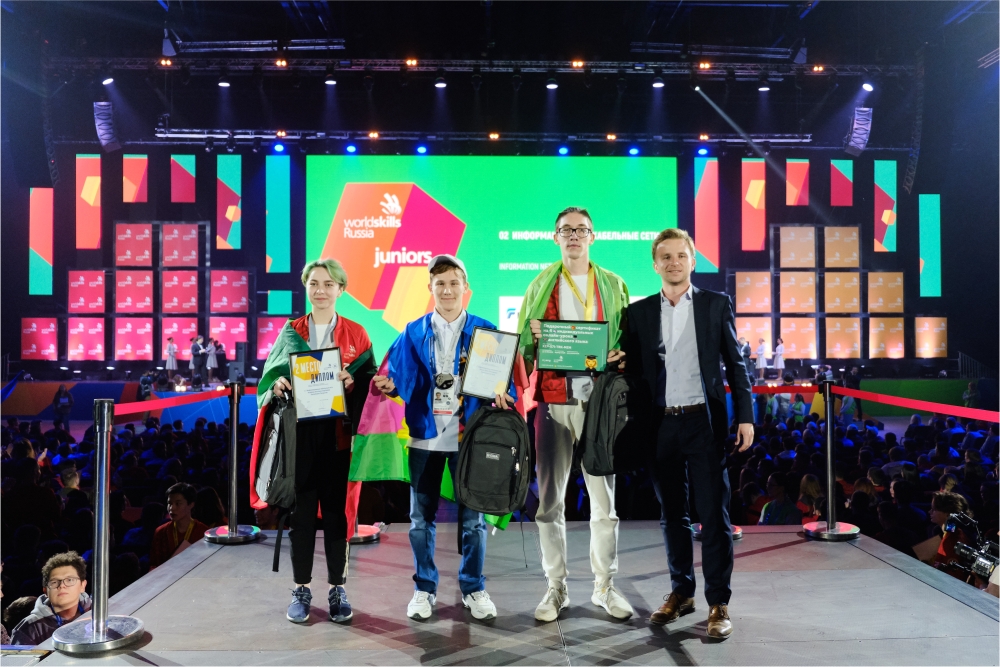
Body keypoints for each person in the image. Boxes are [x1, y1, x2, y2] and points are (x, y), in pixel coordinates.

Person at [624, 227, 754, 639]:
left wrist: (746, 416)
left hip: (703, 424)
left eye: (681, 255)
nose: (674, 262)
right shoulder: (638, 313)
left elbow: (736, 365)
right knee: (672, 516)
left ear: (693, 261)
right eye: (666, 256)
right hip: (659, 426)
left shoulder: (716, 304)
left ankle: (718, 602)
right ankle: (682, 592)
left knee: (714, 515)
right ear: (655, 264)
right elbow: (631, 373)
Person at [373, 255, 517, 622]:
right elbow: (400, 379)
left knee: (473, 521)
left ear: (465, 287)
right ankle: (424, 588)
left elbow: (505, 381)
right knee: (421, 519)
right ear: (430, 288)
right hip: (426, 435)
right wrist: (391, 387)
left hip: (471, 437)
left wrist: (505, 394)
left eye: (454, 283)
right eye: (440, 284)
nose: (448, 290)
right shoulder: (413, 331)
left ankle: (473, 587)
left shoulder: (487, 331)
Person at [514, 207, 632, 623]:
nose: (574, 236)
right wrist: (534, 338)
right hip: (553, 398)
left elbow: (627, 339)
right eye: (566, 230)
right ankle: (556, 587)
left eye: (582, 230)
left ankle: (605, 586)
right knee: (549, 501)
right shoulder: (540, 285)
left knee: (605, 501)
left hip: (599, 402)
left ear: (593, 237)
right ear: (556, 237)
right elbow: (523, 343)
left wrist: (622, 355)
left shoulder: (614, 284)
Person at [259, 258, 377, 625]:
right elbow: (269, 379)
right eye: (314, 283)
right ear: (306, 287)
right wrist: (278, 384)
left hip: (339, 437)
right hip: (300, 437)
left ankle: (338, 589)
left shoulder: (357, 334)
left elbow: (372, 383)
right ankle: (301, 588)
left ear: (341, 289)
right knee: (302, 515)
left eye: (328, 284)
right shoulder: (291, 331)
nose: (320, 290)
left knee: (338, 516)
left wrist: (353, 383)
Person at [10, 551, 91, 645]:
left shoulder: (99, 615)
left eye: (69, 580)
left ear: (82, 585)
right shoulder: (29, 628)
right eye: (54, 582)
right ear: (45, 590)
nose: (62, 586)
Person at [149, 482, 209, 569]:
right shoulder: (161, 532)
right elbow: (154, 564)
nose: (171, 508)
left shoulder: (204, 532)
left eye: (178, 503)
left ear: (191, 505)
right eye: (169, 503)